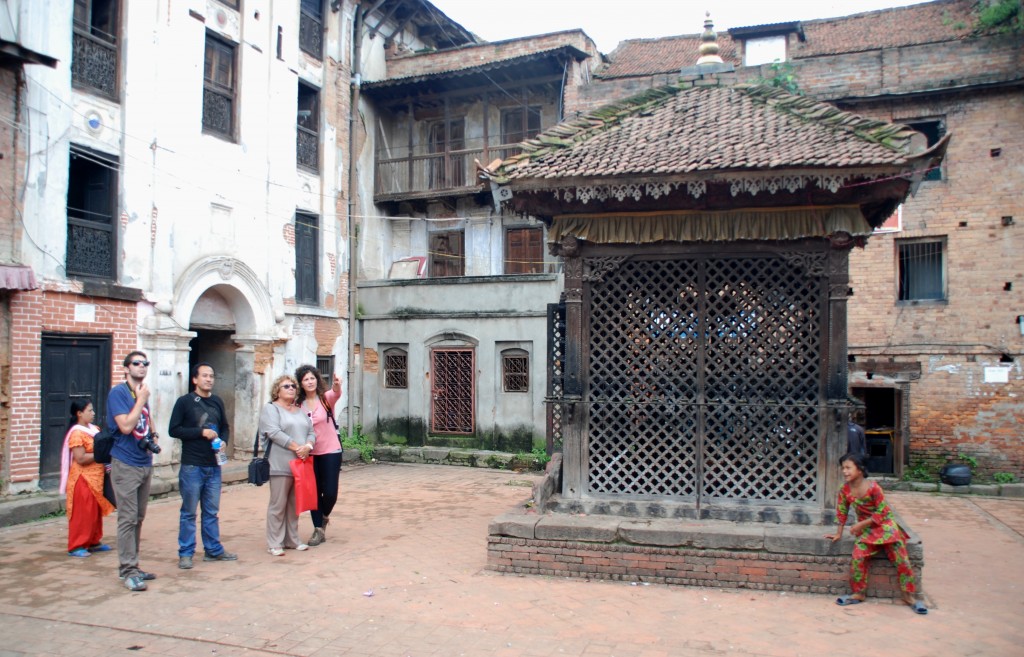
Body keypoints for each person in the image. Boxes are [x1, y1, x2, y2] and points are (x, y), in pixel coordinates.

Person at [825, 452, 927, 614]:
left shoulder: (873, 488)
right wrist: (839, 533)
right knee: (858, 558)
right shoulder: (844, 490)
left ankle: (909, 596)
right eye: (843, 468)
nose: (844, 471)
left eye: (848, 468)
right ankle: (859, 593)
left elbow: (883, 512)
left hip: (886, 527)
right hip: (866, 531)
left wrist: (860, 524)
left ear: (860, 469)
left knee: (902, 561)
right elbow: (842, 512)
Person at [169, 363, 238, 570]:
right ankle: (186, 552)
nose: (209, 379)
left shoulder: (217, 401)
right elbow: (174, 429)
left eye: (211, 376)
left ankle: (213, 549)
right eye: (204, 376)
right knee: (189, 511)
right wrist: (200, 433)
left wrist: (224, 441)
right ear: (195, 379)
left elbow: (225, 426)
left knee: (211, 510)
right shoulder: (184, 402)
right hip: (192, 464)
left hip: (213, 464)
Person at [108, 350, 160, 592]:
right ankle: (127, 570)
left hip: (144, 461)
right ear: (126, 368)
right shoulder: (118, 393)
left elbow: (145, 421)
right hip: (125, 463)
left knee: (138, 517)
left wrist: (154, 434)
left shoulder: (142, 393)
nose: (142, 367)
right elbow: (126, 426)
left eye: (145, 363)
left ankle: (134, 565)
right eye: (136, 363)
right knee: (127, 518)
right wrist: (140, 400)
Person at [258, 374, 315, 556]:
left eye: (293, 386)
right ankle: (275, 542)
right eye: (286, 386)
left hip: (300, 463)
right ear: (277, 390)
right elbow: (273, 432)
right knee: (278, 504)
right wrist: (296, 447)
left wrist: (307, 446)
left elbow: (311, 431)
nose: (291, 388)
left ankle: (292, 539)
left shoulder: (299, 410)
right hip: (280, 462)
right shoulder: (271, 409)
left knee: (294, 504)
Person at [59, 399, 115, 558]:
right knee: (83, 512)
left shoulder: (94, 429)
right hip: (83, 478)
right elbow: (81, 458)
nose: (93, 413)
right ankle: (76, 545)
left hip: (97, 477)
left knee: (94, 512)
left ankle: (93, 541)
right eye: (89, 410)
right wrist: (101, 455)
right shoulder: (76, 433)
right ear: (79, 413)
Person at [295, 364, 342, 547]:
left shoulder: (325, 399)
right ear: (301, 383)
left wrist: (337, 384)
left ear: (317, 379)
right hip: (309, 453)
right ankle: (318, 529)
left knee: (330, 492)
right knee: (314, 492)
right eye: (306, 379)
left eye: (312, 378)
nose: (310, 382)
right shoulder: (298, 405)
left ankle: (324, 516)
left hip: (330, 450)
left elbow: (335, 393)